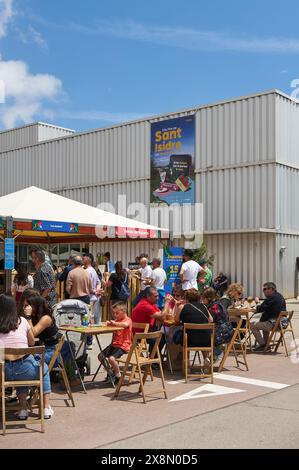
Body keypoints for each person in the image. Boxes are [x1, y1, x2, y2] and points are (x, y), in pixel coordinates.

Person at [0, 294, 54, 419]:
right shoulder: (22, 321)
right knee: (42, 368)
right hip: (25, 369)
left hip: (3, 373)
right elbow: (31, 342)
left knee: (20, 373)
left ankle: (22, 408)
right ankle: (46, 407)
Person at [21, 294, 72, 367]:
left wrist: (28, 317)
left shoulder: (46, 318)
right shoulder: (33, 317)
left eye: (26, 306)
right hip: (38, 350)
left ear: (34, 306)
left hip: (50, 352)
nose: (24, 308)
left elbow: (33, 333)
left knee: (28, 363)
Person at [174, 289, 213, 364]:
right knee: (201, 333)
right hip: (206, 341)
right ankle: (206, 358)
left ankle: (187, 361)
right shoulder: (203, 306)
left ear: (186, 298)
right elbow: (211, 320)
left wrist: (177, 306)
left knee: (185, 335)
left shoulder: (182, 307)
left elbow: (176, 320)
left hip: (190, 341)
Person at [98, 301, 132, 386]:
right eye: (114, 313)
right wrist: (108, 324)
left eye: (117, 313)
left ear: (124, 311)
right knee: (100, 356)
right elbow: (113, 324)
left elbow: (124, 325)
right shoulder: (117, 320)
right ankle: (110, 373)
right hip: (114, 344)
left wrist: (114, 323)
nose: (115, 315)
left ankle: (118, 376)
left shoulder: (127, 320)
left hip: (123, 345)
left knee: (111, 359)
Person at [201, 287, 234, 364]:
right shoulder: (218, 304)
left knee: (201, 338)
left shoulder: (214, 307)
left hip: (222, 334)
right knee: (203, 335)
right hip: (227, 331)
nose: (202, 301)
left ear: (209, 298)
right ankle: (212, 356)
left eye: (203, 299)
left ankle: (211, 357)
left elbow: (210, 321)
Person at [250, 282, 286, 351]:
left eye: (266, 289)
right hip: (282, 324)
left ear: (272, 289)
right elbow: (265, 308)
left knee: (251, 325)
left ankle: (263, 345)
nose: (264, 291)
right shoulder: (279, 296)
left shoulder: (271, 298)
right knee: (263, 321)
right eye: (264, 289)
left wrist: (257, 302)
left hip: (275, 324)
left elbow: (260, 308)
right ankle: (266, 344)